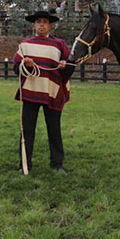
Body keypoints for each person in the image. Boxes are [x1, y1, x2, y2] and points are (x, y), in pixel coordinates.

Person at [13, 10, 74, 174]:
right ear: (34, 25)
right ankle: (25, 164)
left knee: (54, 129)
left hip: (51, 91)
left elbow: (70, 67)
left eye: (45, 22)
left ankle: (57, 164)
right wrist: (26, 65)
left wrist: (64, 65)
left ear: (50, 26)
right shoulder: (25, 45)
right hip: (31, 92)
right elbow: (15, 68)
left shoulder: (59, 44)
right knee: (27, 130)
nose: (41, 24)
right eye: (38, 22)